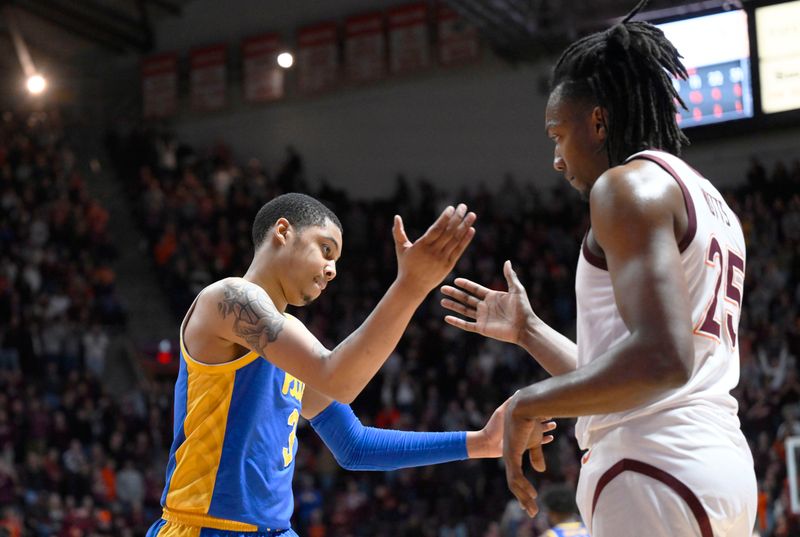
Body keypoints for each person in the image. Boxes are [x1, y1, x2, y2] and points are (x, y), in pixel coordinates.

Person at [440, 1, 757, 535]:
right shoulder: (705, 198)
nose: (557, 159)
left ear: (598, 122)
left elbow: (662, 361)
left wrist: (526, 401)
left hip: (652, 465)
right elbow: (634, 372)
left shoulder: (624, 186)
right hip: (714, 467)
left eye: (558, 135)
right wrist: (530, 331)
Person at [146, 193, 553, 537]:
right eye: (325, 249)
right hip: (205, 526)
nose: (332, 269)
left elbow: (353, 445)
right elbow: (337, 378)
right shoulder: (229, 298)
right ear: (283, 232)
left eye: (336, 259)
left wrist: (480, 441)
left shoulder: (287, 338)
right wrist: (410, 287)